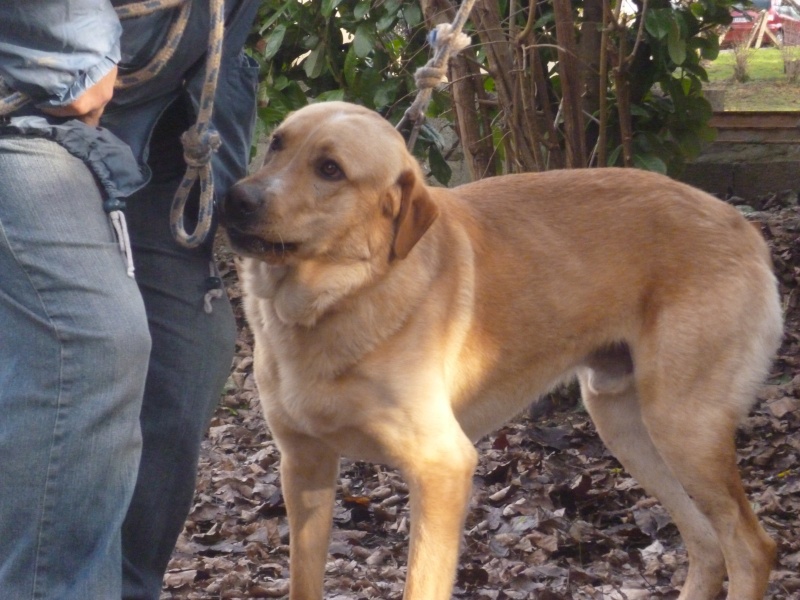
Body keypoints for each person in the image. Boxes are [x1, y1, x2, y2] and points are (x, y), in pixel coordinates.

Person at [0, 1, 260, 598]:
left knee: (189, 348)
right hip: (29, 92)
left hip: (160, 122)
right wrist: (66, 44)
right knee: (88, 342)